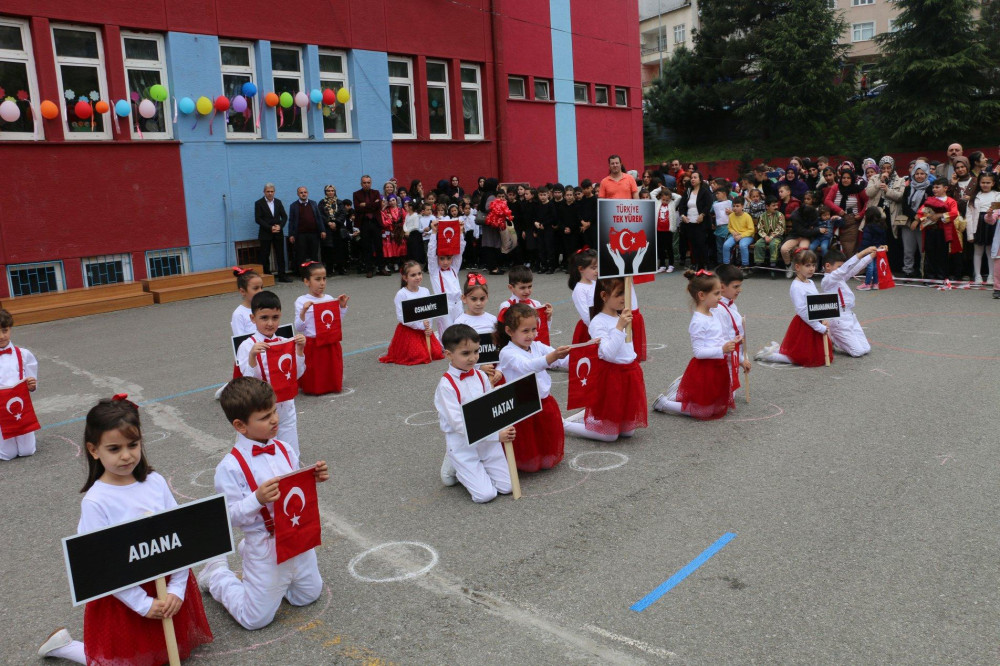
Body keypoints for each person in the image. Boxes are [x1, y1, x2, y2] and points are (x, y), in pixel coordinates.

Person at [38, 395, 213, 663]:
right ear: (94, 450)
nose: (126, 455)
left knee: (164, 652)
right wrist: (142, 604)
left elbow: (181, 537)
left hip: (165, 585)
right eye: (114, 448)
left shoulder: (155, 482)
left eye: (133, 445)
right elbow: (101, 566)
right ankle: (65, 646)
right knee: (120, 659)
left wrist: (177, 588)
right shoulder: (96, 501)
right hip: (126, 596)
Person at [199, 377, 329, 630]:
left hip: (298, 539)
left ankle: (274, 583)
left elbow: (295, 493)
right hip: (265, 544)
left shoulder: (284, 449)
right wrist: (256, 499)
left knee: (308, 596)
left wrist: (313, 477)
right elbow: (228, 517)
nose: (274, 420)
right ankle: (216, 575)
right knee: (255, 619)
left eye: (274, 411)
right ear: (240, 425)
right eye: (264, 417)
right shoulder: (230, 467)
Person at [434, 324, 515, 502]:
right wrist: (496, 435)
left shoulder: (481, 376)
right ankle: (454, 460)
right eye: (465, 353)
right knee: (486, 495)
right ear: (448, 354)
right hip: (463, 442)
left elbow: (492, 407)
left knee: (508, 487)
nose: (473, 358)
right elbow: (459, 425)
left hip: (488, 441)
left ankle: (475, 469)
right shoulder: (447, 386)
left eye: (476, 351)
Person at [563, 277, 647, 442]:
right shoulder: (598, 322)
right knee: (610, 436)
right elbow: (608, 353)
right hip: (612, 376)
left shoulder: (621, 316)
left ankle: (591, 416)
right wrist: (619, 328)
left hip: (629, 373)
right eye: (619, 294)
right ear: (604, 296)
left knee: (628, 432)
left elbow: (628, 349)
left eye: (625, 293)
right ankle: (566, 424)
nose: (625, 298)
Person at [652, 270, 739, 420]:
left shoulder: (713, 313)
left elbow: (716, 338)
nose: (720, 297)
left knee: (718, 406)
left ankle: (682, 395)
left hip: (719, 367)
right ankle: (665, 403)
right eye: (717, 294)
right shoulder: (698, 321)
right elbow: (698, 352)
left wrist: (730, 343)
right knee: (704, 411)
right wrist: (721, 349)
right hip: (706, 370)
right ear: (701, 295)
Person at [495, 303, 571, 471]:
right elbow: (527, 367)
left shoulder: (536, 345)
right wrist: (551, 357)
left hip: (543, 400)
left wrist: (582, 353)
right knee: (528, 445)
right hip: (523, 405)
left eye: (534, 329)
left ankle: (543, 455)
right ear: (509, 331)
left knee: (545, 436)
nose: (531, 335)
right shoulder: (507, 353)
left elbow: (560, 359)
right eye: (525, 331)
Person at [237, 291, 306, 454]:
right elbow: (247, 382)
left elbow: (297, 374)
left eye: (275, 317)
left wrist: (300, 351)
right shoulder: (247, 346)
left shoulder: (284, 342)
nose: (270, 323)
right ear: (253, 318)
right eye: (264, 318)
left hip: (286, 406)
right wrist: (253, 357)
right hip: (263, 409)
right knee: (268, 451)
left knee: (291, 451)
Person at [754, 250, 833, 367]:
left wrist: (823, 317)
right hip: (805, 324)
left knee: (817, 354)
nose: (811, 268)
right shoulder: (796, 286)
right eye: (807, 265)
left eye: (813, 265)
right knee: (799, 357)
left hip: (815, 320)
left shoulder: (810, 281)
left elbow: (816, 302)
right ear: (797, 267)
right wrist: (818, 327)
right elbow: (802, 310)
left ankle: (777, 351)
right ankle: (769, 355)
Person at [294, 262, 348, 395]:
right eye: (317, 279)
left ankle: (331, 384)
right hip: (313, 342)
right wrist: (303, 311)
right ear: (307, 281)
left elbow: (335, 323)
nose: (322, 283)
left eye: (324, 278)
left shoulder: (329, 298)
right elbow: (299, 327)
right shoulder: (301, 301)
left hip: (329, 341)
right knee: (315, 369)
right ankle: (315, 387)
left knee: (330, 367)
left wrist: (341, 307)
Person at [379, 261, 445, 365]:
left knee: (436, 352)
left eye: (419, 273)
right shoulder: (402, 294)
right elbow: (402, 318)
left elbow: (429, 311)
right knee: (419, 356)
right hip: (410, 329)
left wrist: (429, 328)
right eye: (413, 275)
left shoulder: (425, 291)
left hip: (424, 329)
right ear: (405, 278)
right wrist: (420, 326)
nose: (418, 277)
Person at [215, 268, 264, 401]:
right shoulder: (239, 313)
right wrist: (252, 349)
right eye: (255, 288)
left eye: (261, 287)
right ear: (243, 291)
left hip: (263, 349)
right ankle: (228, 387)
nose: (260, 291)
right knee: (243, 391)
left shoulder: (263, 307)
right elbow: (240, 340)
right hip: (248, 353)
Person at [821, 247, 880, 357]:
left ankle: (834, 336)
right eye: (839, 266)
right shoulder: (827, 281)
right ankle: (832, 337)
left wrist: (872, 255)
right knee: (858, 352)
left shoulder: (840, 277)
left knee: (866, 349)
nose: (843, 269)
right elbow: (844, 269)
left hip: (850, 316)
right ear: (828, 266)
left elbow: (855, 268)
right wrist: (862, 252)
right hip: (838, 319)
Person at [0, 308, 38, 460]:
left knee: (27, 451)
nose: (1, 336)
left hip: (21, 408)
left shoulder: (23, 354)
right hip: (0, 410)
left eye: (5, 330)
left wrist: (31, 385)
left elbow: (32, 381)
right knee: (7, 454)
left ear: (10, 329)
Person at [888, 160, 931, 278]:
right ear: (913, 175)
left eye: (922, 174)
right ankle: (908, 270)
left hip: (923, 223)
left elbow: (928, 205)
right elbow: (904, 206)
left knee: (923, 250)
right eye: (917, 174)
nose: (919, 176)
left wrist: (918, 219)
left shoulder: (930, 189)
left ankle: (924, 272)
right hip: (908, 223)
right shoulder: (908, 188)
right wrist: (914, 217)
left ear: (927, 174)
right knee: (908, 249)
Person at [427, 219, 466, 338]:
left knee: (460, 331)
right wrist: (434, 232)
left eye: (448, 258)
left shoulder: (454, 268)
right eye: (442, 258)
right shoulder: (434, 271)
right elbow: (431, 253)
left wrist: (460, 232)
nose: (445, 262)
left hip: (458, 303)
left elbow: (459, 251)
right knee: (447, 334)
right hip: (444, 304)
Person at [917, 178, 962, 280]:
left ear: (945, 188)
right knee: (929, 253)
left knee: (942, 253)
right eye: (933, 187)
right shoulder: (929, 200)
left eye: (937, 187)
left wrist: (940, 215)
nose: (934, 189)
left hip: (943, 231)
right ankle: (929, 276)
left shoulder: (951, 201)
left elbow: (954, 213)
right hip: (930, 230)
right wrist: (926, 217)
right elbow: (921, 212)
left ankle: (942, 276)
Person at [497, 265, 553, 346]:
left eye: (529, 286)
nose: (527, 291)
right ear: (511, 287)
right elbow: (503, 332)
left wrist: (548, 317)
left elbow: (542, 331)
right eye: (522, 288)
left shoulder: (536, 304)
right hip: (516, 347)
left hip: (534, 346)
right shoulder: (506, 306)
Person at [966, 171, 1000, 284]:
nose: (985, 185)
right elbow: (969, 216)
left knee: (991, 251)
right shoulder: (974, 197)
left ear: (993, 183)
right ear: (979, 183)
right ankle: (978, 275)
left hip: (992, 223)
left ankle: (991, 276)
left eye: (988, 182)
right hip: (978, 223)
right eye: (982, 182)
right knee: (978, 251)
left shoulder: (997, 195)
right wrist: (970, 234)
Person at [824, 170, 867, 256]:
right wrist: (838, 210)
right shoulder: (836, 187)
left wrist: (861, 214)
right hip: (837, 221)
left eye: (848, 178)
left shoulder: (857, 189)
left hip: (852, 222)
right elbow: (827, 200)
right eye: (843, 178)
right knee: (836, 248)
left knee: (849, 249)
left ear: (852, 179)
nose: (845, 180)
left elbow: (868, 201)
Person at [254, 183, 291, 282]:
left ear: (274, 192)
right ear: (264, 192)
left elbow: (284, 217)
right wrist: (270, 228)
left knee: (280, 254)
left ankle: (282, 276)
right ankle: (267, 276)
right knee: (265, 255)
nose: (270, 193)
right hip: (265, 233)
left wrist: (280, 226)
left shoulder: (278, 202)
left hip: (278, 232)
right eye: (268, 191)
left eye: (272, 191)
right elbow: (258, 219)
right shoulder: (259, 203)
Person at [678, 171, 714, 269]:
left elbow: (708, 204)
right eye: (692, 178)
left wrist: (702, 214)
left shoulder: (705, 191)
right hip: (689, 222)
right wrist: (682, 215)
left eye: (695, 177)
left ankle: (704, 264)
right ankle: (696, 263)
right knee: (693, 245)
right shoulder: (688, 191)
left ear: (700, 180)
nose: (693, 179)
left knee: (701, 243)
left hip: (701, 222)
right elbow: (682, 205)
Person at [354, 175, 386, 278]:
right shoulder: (356, 194)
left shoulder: (376, 192)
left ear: (371, 183)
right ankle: (369, 269)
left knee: (379, 246)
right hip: (364, 223)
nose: (366, 184)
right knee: (367, 247)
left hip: (375, 223)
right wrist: (372, 204)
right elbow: (358, 208)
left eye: (368, 182)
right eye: (364, 182)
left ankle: (381, 268)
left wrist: (365, 205)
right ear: (361, 183)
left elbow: (378, 206)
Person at [287, 186, 324, 267]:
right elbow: (291, 221)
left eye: (305, 192)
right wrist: (291, 234)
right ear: (298, 194)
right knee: (301, 255)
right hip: (300, 235)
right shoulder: (293, 205)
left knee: (314, 254)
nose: (303, 194)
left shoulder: (313, 203)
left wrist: (322, 230)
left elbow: (318, 217)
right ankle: (303, 273)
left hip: (314, 234)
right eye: (301, 192)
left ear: (307, 193)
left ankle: (314, 272)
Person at [568, 248, 598, 344]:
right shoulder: (579, 290)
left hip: (601, 322)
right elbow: (586, 315)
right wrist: (598, 328)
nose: (597, 271)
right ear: (581, 269)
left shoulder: (595, 282)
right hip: (590, 327)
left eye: (598, 267)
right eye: (593, 268)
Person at [856, 210, 889, 291]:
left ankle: (867, 284)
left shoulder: (868, 227)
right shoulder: (882, 226)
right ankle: (875, 283)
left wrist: (861, 250)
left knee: (870, 266)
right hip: (879, 248)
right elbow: (884, 239)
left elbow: (866, 240)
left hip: (870, 249)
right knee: (876, 267)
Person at [754, 196, 785, 277]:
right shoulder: (762, 216)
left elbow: (780, 228)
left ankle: (773, 265)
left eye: (776, 205)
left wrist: (771, 237)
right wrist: (765, 236)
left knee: (773, 244)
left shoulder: (780, 215)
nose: (776, 207)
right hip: (766, 237)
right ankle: (759, 265)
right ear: (767, 206)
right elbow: (760, 228)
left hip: (777, 237)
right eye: (773, 205)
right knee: (758, 244)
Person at [319, 185, 346, 276]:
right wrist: (328, 223)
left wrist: (336, 223)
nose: (330, 192)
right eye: (328, 191)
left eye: (332, 191)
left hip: (338, 229)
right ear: (325, 192)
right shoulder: (322, 203)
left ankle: (341, 268)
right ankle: (329, 270)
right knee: (328, 250)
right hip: (327, 229)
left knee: (340, 249)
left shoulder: (339, 202)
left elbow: (343, 213)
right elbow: (320, 215)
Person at [723, 197, 754, 272]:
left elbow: (751, 230)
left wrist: (741, 236)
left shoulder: (747, 216)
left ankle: (745, 266)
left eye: (737, 206)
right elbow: (729, 227)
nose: (735, 208)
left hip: (747, 236)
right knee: (726, 245)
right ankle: (726, 266)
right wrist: (733, 232)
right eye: (733, 206)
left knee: (742, 245)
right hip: (735, 235)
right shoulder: (731, 216)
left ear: (742, 206)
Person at [654, 186, 679, 273]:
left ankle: (671, 264)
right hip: (658, 229)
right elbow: (652, 194)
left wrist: (669, 192)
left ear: (670, 199)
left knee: (669, 248)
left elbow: (679, 197)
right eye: (664, 199)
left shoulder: (672, 203)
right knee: (660, 248)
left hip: (668, 230)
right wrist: (660, 189)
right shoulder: (657, 203)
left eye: (667, 200)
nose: (665, 201)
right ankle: (662, 265)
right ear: (661, 197)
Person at [558, 185, 581, 272]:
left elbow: (578, 219)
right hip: (564, 231)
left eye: (571, 195)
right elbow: (559, 219)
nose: (569, 197)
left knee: (574, 250)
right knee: (566, 250)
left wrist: (571, 228)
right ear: (564, 196)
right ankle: (569, 266)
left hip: (574, 231)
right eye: (567, 195)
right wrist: (564, 228)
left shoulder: (577, 206)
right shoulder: (562, 206)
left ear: (573, 196)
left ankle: (575, 267)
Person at [381, 195, 406, 273]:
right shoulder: (386, 211)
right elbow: (386, 220)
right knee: (391, 248)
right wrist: (391, 230)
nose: (392, 202)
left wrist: (403, 230)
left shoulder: (401, 210)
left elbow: (405, 220)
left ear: (396, 201)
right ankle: (391, 263)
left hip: (400, 231)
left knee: (400, 247)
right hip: (391, 231)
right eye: (390, 201)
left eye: (393, 200)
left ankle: (398, 263)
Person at [711, 185, 733, 265]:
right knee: (719, 248)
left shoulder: (731, 203)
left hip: (729, 229)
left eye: (718, 193)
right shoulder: (714, 203)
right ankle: (720, 264)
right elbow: (711, 212)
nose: (716, 195)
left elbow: (738, 213)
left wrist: (732, 212)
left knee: (728, 247)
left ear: (724, 193)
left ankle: (728, 264)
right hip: (719, 229)